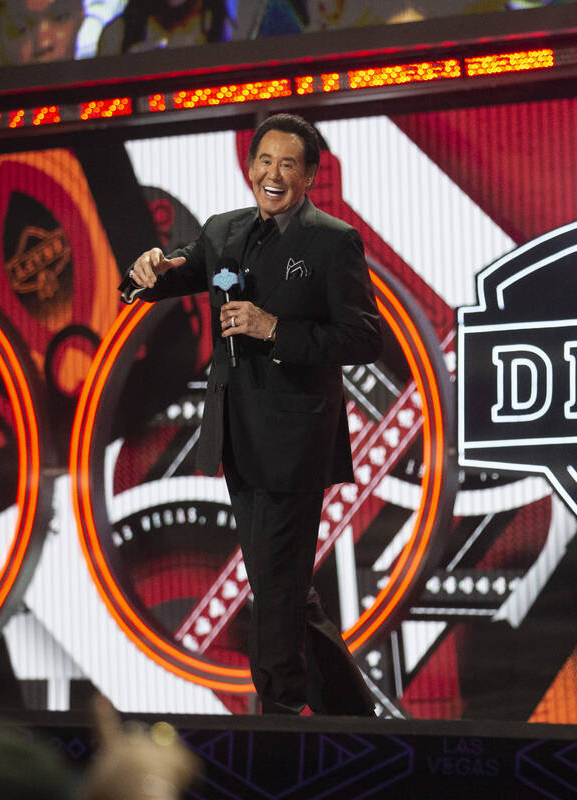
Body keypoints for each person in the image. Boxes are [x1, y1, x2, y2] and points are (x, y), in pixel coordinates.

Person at [127, 113, 380, 716]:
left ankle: (278, 720)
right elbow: (175, 271)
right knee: (283, 586)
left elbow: (366, 337)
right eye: (265, 161)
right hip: (238, 439)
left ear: (311, 175)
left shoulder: (331, 240)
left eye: (289, 164)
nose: (274, 174)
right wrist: (145, 272)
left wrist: (276, 330)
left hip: (295, 441)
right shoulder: (224, 232)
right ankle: (352, 714)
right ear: (249, 168)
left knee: (275, 593)